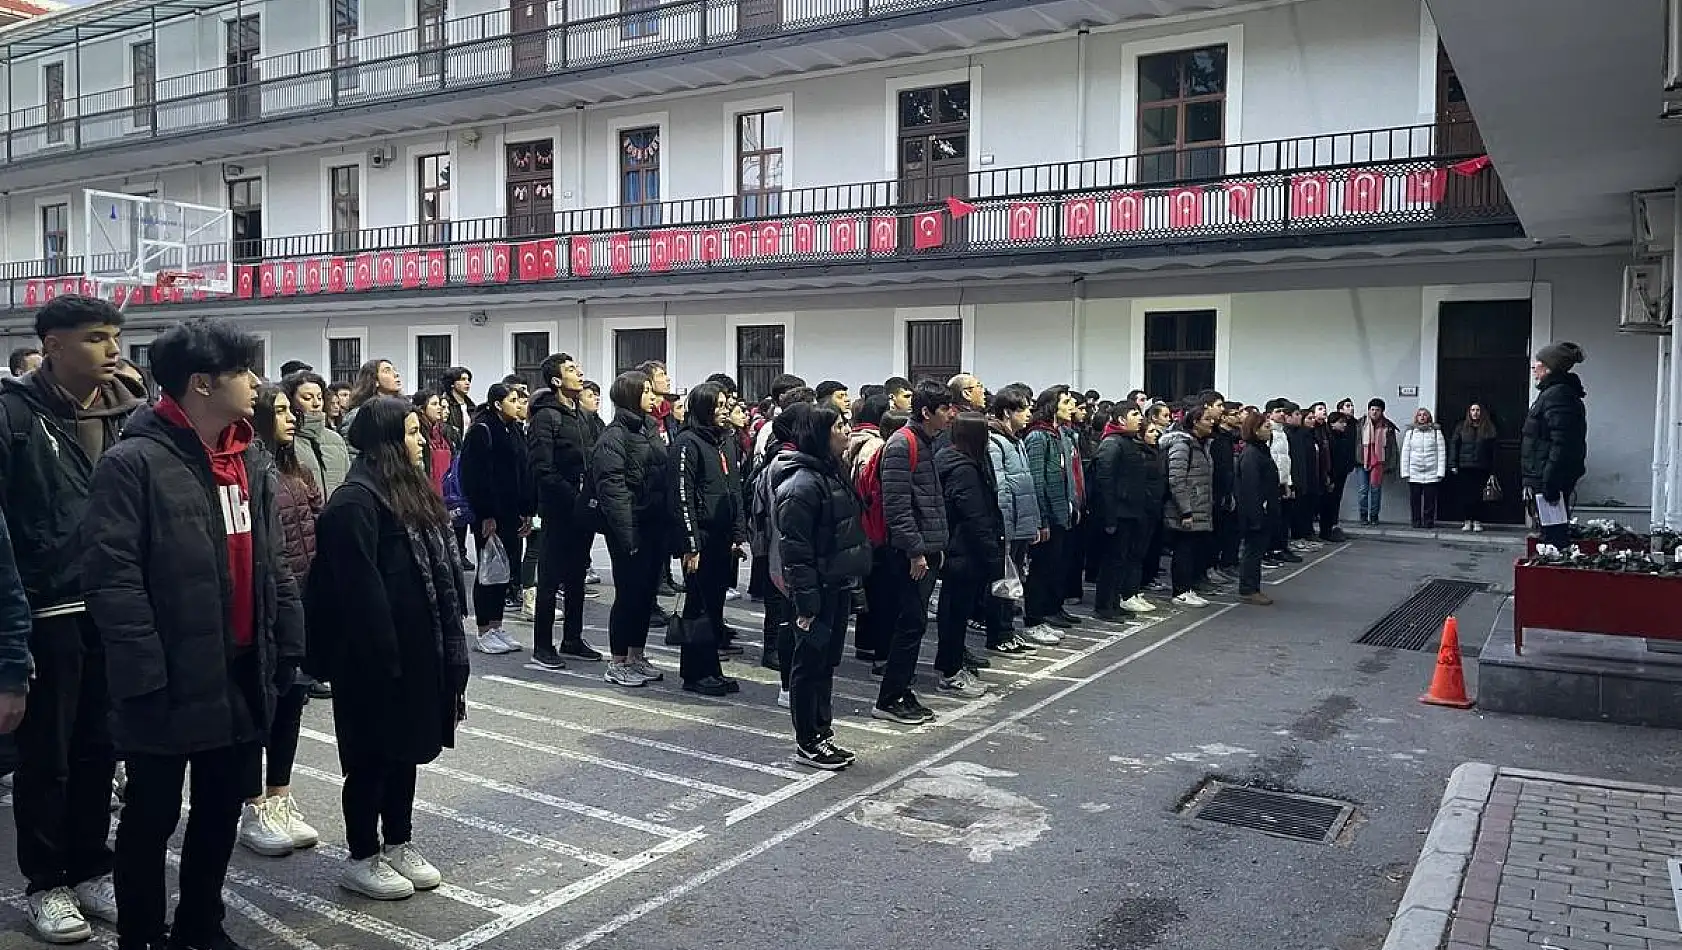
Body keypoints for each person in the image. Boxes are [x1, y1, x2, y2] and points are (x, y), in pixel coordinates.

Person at [81, 317, 305, 950]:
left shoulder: (249, 457)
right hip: (168, 676)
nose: (257, 383)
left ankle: (201, 926)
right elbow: (112, 579)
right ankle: (144, 935)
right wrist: (144, 673)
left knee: (220, 809)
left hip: (240, 668)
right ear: (201, 384)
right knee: (150, 818)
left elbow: (274, 560)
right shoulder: (134, 462)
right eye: (243, 372)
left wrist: (286, 640)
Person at [0, 295, 143, 943]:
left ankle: (91, 866)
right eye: (94, 338)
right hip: (48, 611)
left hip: (110, 608)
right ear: (51, 345)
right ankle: (46, 882)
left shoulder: (127, 414)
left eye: (115, 336)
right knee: (45, 759)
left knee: (99, 749)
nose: (112, 350)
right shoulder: (12, 415)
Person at [302, 395, 466, 901]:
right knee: (371, 757)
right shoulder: (354, 503)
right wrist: (385, 661)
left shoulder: (412, 492)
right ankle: (362, 854)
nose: (421, 441)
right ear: (387, 443)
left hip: (419, 651)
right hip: (374, 659)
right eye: (413, 433)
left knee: (406, 754)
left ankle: (398, 841)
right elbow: (357, 594)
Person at [236, 386, 323, 859]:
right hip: (264, 603)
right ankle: (253, 806)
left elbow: (315, 520)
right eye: (283, 410)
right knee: (258, 705)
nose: (292, 419)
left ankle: (280, 795)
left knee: (292, 700)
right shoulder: (248, 468)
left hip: (300, 599)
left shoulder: (297, 468)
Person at [772, 404, 872, 768]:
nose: (847, 430)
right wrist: (806, 606)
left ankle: (822, 732)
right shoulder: (802, 483)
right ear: (818, 435)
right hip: (815, 592)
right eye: (838, 426)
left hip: (836, 585)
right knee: (809, 665)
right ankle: (808, 739)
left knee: (825, 663)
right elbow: (795, 553)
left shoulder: (831, 472)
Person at [871, 380, 954, 726]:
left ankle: (901, 690)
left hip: (924, 551)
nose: (951, 414)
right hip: (908, 555)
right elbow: (897, 506)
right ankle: (891, 697)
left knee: (914, 624)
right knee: (909, 624)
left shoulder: (926, 441)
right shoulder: (902, 445)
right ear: (926, 412)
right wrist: (916, 551)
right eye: (945, 408)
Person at [591, 370, 671, 688]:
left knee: (644, 594)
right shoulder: (614, 437)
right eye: (647, 391)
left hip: (651, 525)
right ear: (631, 395)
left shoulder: (649, 429)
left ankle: (637, 656)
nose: (654, 397)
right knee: (627, 596)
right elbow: (614, 491)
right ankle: (618, 661)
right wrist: (627, 536)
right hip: (630, 528)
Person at [526, 353, 604, 669]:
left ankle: (572, 637)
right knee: (549, 577)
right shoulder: (546, 418)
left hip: (582, 511)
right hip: (559, 510)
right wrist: (573, 496)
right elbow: (542, 468)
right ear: (556, 380)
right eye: (571, 370)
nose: (579, 373)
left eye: (578, 368)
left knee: (576, 577)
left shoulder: (582, 416)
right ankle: (542, 645)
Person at [669, 382, 745, 697]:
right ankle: (695, 673)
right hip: (700, 537)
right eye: (718, 405)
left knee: (714, 606)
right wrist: (690, 543)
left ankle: (712, 668)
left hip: (722, 537)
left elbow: (734, 488)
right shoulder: (688, 443)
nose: (724, 410)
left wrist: (739, 533)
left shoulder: (725, 441)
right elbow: (682, 495)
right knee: (697, 606)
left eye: (727, 403)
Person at [457, 382, 533, 656]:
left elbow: (522, 471)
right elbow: (475, 476)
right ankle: (483, 629)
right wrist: (485, 513)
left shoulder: (513, 429)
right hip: (490, 514)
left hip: (512, 512)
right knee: (488, 570)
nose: (518, 404)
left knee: (505, 570)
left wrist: (527, 509)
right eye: (513, 400)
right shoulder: (482, 430)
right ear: (498, 403)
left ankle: (497, 625)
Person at [931, 414, 1001, 699]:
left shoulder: (952, 460)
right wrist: (993, 553)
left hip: (957, 548)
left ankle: (952, 660)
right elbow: (975, 516)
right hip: (964, 550)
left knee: (953, 611)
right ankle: (950, 671)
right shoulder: (964, 469)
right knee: (955, 613)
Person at [1522, 342, 1589, 548]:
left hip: (1550, 479)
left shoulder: (1557, 395)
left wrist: (1550, 482)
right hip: (1546, 476)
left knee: (1554, 537)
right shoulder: (1553, 393)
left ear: (1549, 367)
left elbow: (1562, 443)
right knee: (1549, 533)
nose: (1533, 367)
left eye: (1538, 363)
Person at [1092, 403, 1153, 620]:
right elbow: (1104, 481)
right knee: (1112, 561)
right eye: (1134, 414)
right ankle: (1104, 606)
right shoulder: (1111, 444)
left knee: (1122, 560)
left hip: (1130, 513)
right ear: (1120, 420)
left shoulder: (1128, 442)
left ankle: (1114, 602)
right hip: (1117, 514)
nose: (1140, 419)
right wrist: (1109, 517)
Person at [1159, 403, 1216, 608]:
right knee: (1184, 550)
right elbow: (1176, 479)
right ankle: (1180, 590)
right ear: (1194, 422)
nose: (1212, 423)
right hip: (1185, 508)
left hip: (1200, 505)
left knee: (1193, 549)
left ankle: (1188, 587)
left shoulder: (1201, 444)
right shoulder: (1182, 446)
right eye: (1207, 419)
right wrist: (1186, 510)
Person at [1235, 412, 1281, 606]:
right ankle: (1248, 589)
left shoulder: (1262, 450)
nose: (1269, 431)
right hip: (1255, 510)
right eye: (1266, 427)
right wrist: (1256, 515)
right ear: (1255, 430)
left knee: (1257, 549)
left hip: (1265, 507)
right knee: (1252, 550)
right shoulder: (1251, 454)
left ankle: (1254, 586)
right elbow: (1250, 487)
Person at [284, 371, 351, 498]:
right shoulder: (287, 440)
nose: (316, 404)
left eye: (319, 397)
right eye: (307, 398)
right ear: (291, 401)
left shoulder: (336, 439)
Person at [1450, 403, 1499, 532]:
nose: (1475, 412)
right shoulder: (1461, 427)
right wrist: (1453, 464)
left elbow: (1493, 451)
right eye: (1473, 410)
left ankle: (1477, 521)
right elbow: (1454, 445)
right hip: (1465, 466)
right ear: (1469, 412)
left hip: (1482, 467)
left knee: (1479, 496)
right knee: (1466, 495)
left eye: (1477, 410)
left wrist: (1493, 470)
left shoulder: (1489, 428)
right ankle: (1467, 520)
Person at [1400, 408, 1448, 529]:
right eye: (1419, 415)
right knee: (1415, 500)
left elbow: (1441, 452)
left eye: (1424, 415)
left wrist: (1440, 471)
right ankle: (1416, 521)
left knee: (1430, 500)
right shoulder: (1410, 432)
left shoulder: (1436, 432)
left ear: (1429, 417)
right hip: (1414, 471)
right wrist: (1405, 472)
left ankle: (1428, 521)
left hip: (1431, 471)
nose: (1422, 417)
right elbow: (1405, 452)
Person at [1355, 398, 1400, 525]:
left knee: (1375, 490)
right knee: (1363, 490)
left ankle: (1374, 516)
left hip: (1379, 463)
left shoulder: (1387, 426)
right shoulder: (1360, 424)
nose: (1374, 412)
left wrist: (1391, 463)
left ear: (1382, 411)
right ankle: (1363, 516)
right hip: (1361, 461)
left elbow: (1392, 446)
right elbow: (1355, 443)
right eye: (1372, 409)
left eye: (1377, 410)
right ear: (1368, 410)